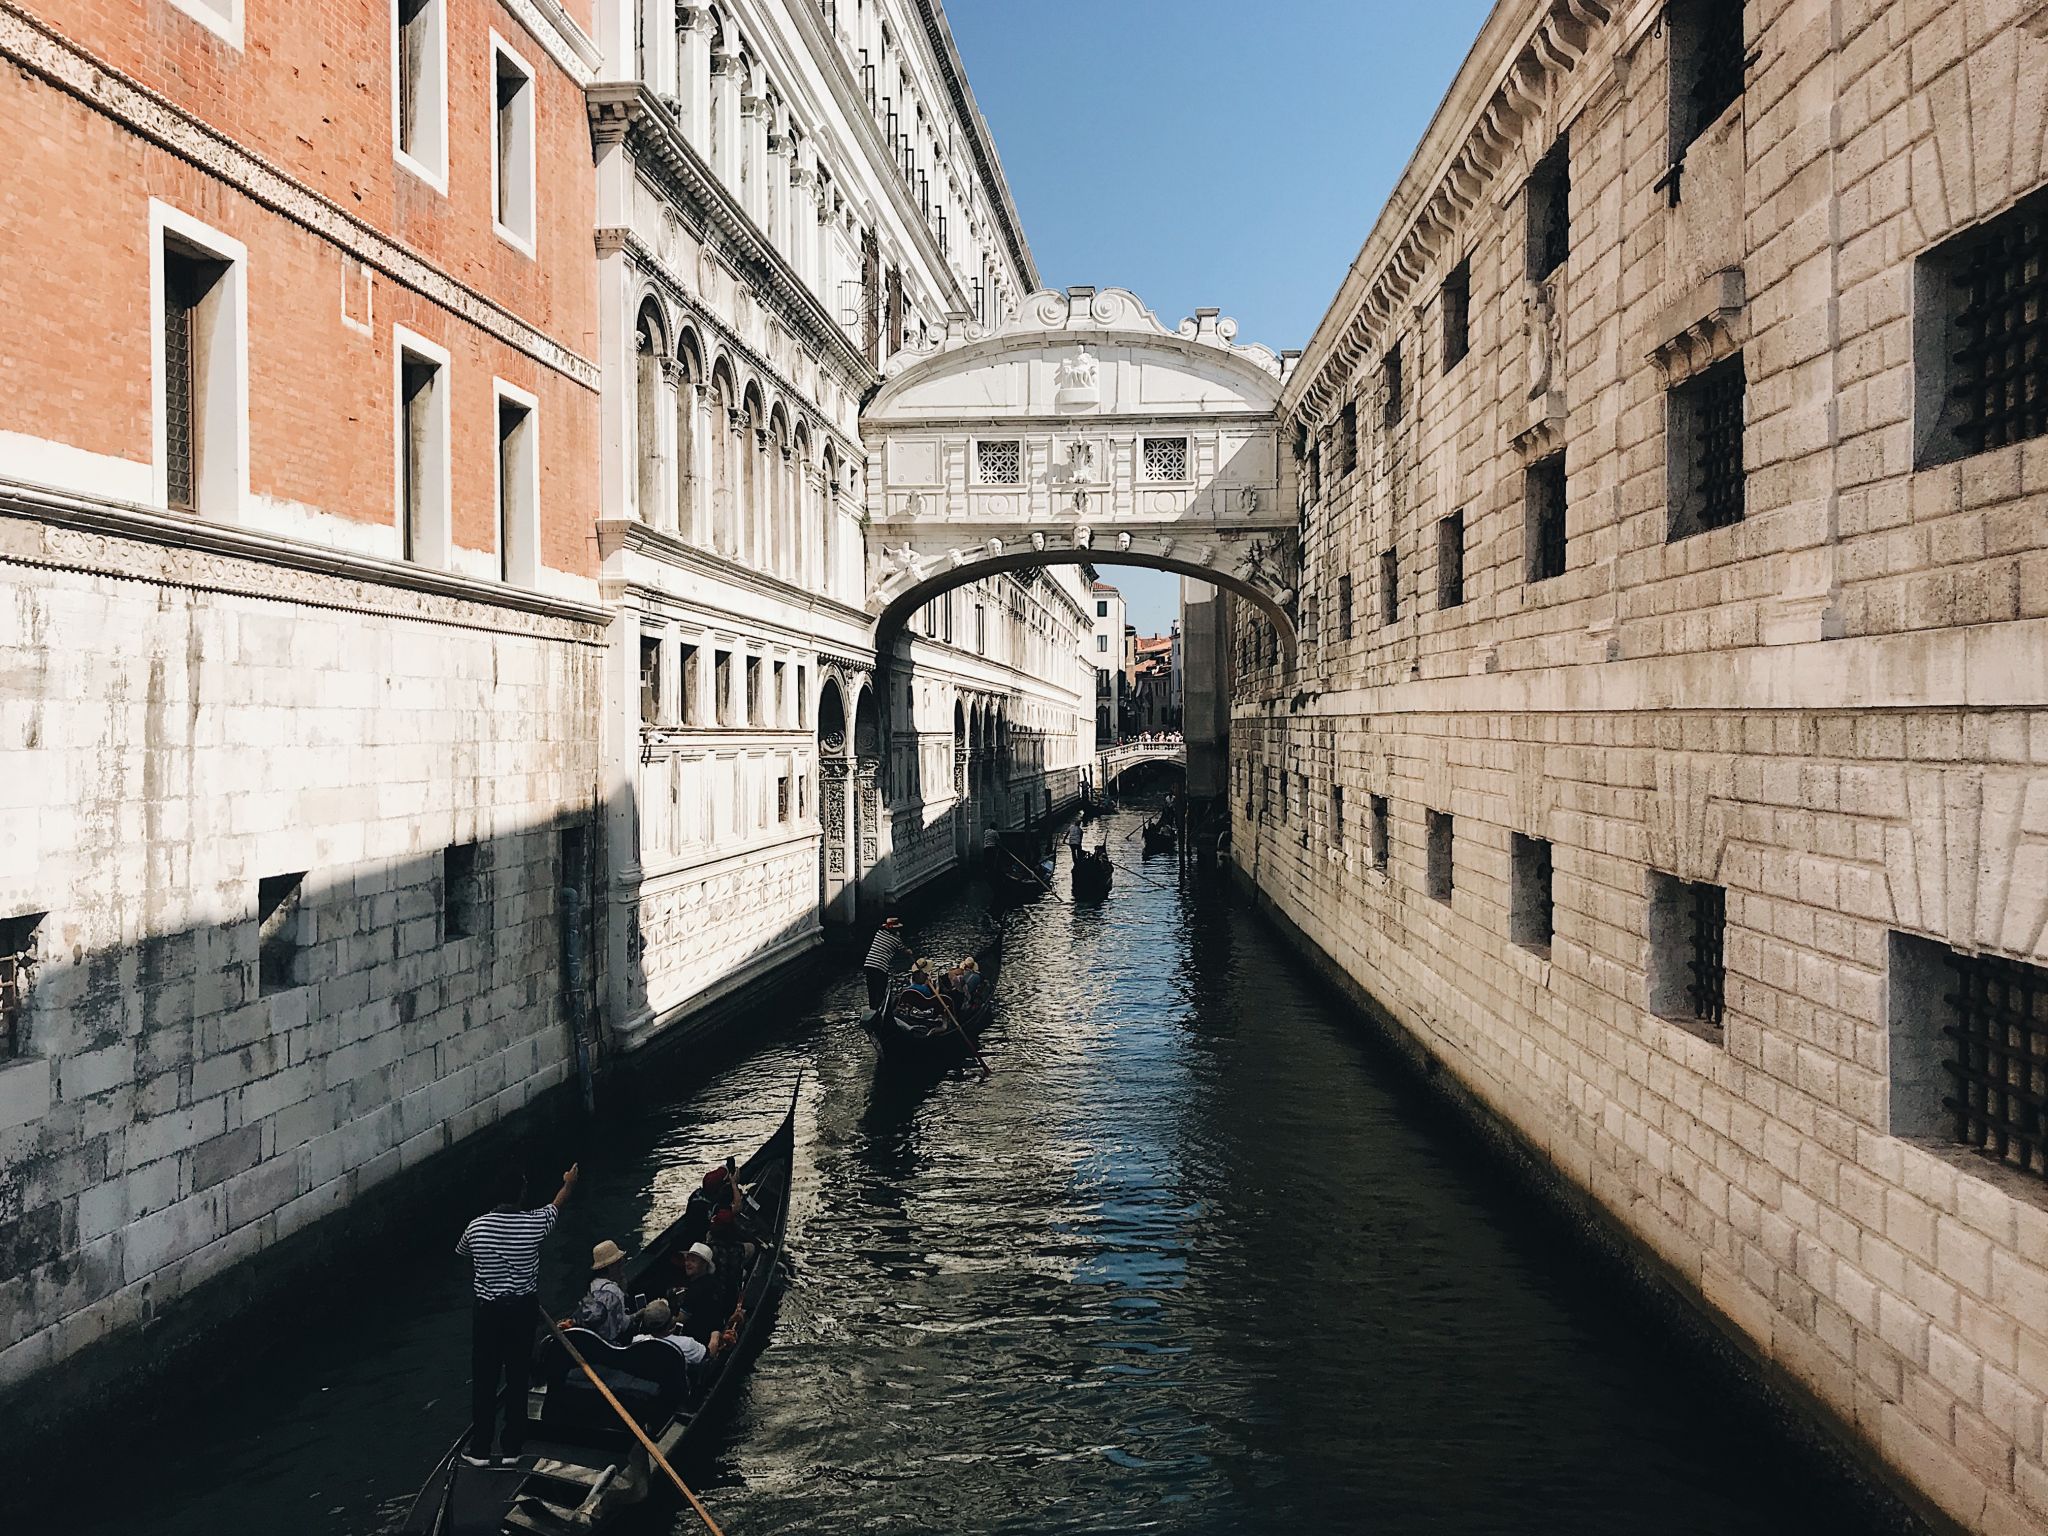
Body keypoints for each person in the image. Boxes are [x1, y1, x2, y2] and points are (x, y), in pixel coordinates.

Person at [456, 1161, 578, 1464]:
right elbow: (557, 1204)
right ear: (521, 1194)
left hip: (487, 1313)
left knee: (484, 1379)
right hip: (523, 1312)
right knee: (518, 1377)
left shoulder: (476, 1226)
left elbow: (463, 1252)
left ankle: (481, 1450)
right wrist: (569, 1182)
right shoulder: (535, 1223)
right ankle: (511, 1449)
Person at [568, 1239, 633, 1343]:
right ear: (611, 1267)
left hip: (595, 1338)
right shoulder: (614, 1290)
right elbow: (623, 1326)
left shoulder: (593, 1284)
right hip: (612, 1341)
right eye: (619, 1263)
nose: (622, 1266)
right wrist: (637, 1315)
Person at [668, 1243, 727, 1348]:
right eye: (687, 1260)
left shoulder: (696, 1289)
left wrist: (662, 1318)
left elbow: (681, 1319)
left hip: (698, 1337)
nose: (687, 1263)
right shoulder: (713, 1282)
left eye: (693, 1261)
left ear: (704, 1264)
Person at [632, 1297, 712, 1368]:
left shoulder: (636, 1341)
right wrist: (715, 1337)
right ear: (671, 1321)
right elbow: (708, 1359)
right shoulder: (686, 1344)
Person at [680, 1164, 735, 1247]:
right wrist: (734, 1184)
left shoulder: (696, 1194)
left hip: (692, 1234)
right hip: (706, 1239)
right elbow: (737, 1208)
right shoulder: (715, 1206)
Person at [863, 915, 910, 1011]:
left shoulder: (879, 933)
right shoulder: (896, 940)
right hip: (880, 967)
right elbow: (904, 951)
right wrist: (909, 951)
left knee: (872, 990)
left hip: (868, 964)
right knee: (880, 990)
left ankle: (873, 1010)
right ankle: (879, 1010)